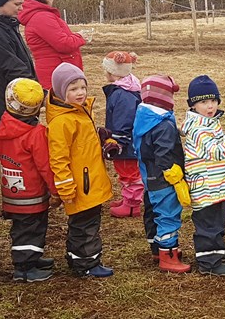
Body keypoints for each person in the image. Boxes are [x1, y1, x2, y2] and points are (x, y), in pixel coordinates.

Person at [46, 63, 114, 278]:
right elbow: (59, 158)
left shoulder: (81, 112)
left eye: (82, 87)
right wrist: (65, 186)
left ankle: (81, 258)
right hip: (80, 186)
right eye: (73, 89)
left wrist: (104, 139)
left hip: (90, 182)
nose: (80, 93)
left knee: (89, 222)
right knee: (83, 226)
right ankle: (85, 263)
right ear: (60, 91)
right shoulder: (62, 122)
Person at [181, 75, 225, 276]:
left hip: (216, 184)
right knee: (207, 224)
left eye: (213, 101)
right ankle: (208, 262)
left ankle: (216, 251)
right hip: (205, 187)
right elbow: (218, 152)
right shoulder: (198, 128)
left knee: (217, 221)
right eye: (203, 102)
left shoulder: (210, 122)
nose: (210, 106)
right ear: (193, 105)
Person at [0, 78, 59, 282]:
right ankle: (24, 268)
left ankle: (31, 259)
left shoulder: (4, 124)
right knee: (32, 230)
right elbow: (44, 166)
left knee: (21, 227)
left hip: (12, 193)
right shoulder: (35, 134)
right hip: (32, 195)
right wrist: (55, 190)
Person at [132, 74, 192, 273]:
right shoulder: (163, 125)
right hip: (164, 180)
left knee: (153, 211)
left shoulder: (145, 116)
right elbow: (164, 155)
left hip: (149, 176)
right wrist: (176, 177)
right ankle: (168, 255)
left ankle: (157, 248)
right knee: (168, 214)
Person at [19, 0, 91, 90]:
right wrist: (79, 37)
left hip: (56, 71)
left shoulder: (39, 15)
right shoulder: (42, 17)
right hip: (56, 73)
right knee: (61, 106)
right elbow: (63, 44)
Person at [101, 51, 143, 218]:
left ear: (112, 72)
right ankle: (128, 199)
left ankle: (132, 205)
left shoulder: (121, 95)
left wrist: (117, 142)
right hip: (127, 142)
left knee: (129, 172)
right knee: (126, 171)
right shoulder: (128, 88)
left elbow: (123, 121)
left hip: (125, 144)